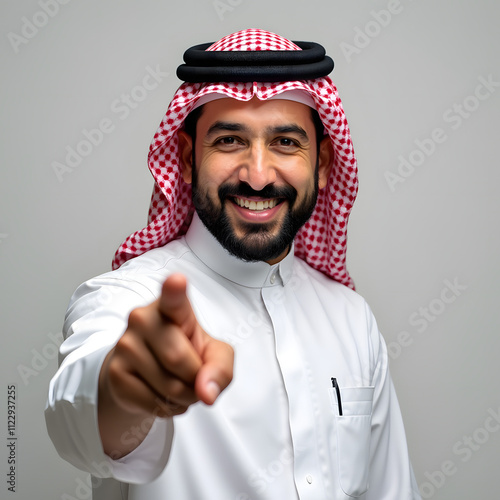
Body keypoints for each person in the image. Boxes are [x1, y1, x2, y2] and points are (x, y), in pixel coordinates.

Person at [45, 29, 421, 499]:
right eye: (229, 141)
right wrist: (125, 387)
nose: (258, 175)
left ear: (323, 163)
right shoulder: (128, 300)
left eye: (286, 142)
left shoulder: (351, 319)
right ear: (185, 158)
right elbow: (78, 425)